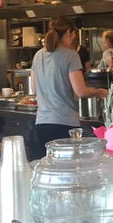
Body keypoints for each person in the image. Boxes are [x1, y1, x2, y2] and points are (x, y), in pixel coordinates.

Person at [31, 16, 108, 158]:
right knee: (69, 168)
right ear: (67, 33)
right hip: (64, 124)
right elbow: (81, 91)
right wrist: (101, 92)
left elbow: (34, 89)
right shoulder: (70, 56)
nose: (73, 39)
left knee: (51, 168)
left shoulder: (38, 55)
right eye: (73, 35)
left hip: (42, 123)